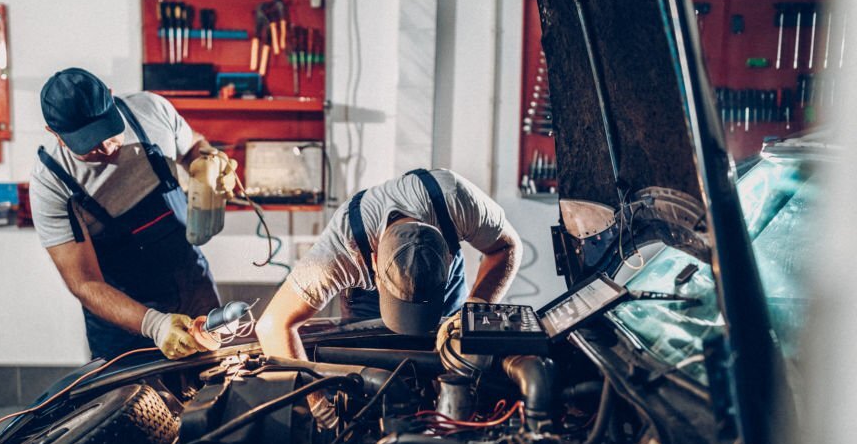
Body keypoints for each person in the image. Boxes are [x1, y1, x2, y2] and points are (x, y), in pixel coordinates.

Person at [30, 67, 235, 361]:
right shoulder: (51, 181)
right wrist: (155, 324)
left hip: (191, 279)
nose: (106, 147)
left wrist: (209, 161)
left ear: (111, 99)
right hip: (124, 314)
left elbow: (192, 146)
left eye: (108, 131)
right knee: (134, 404)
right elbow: (84, 283)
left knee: (216, 383)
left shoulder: (151, 110)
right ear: (56, 135)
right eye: (88, 144)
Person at [255, 167, 522, 362]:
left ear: (450, 258)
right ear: (373, 262)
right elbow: (272, 325)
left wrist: (474, 309)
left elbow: (507, 247)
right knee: (372, 373)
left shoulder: (455, 199)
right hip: (368, 303)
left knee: (452, 356)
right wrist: (317, 405)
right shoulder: (341, 251)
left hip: (441, 287)